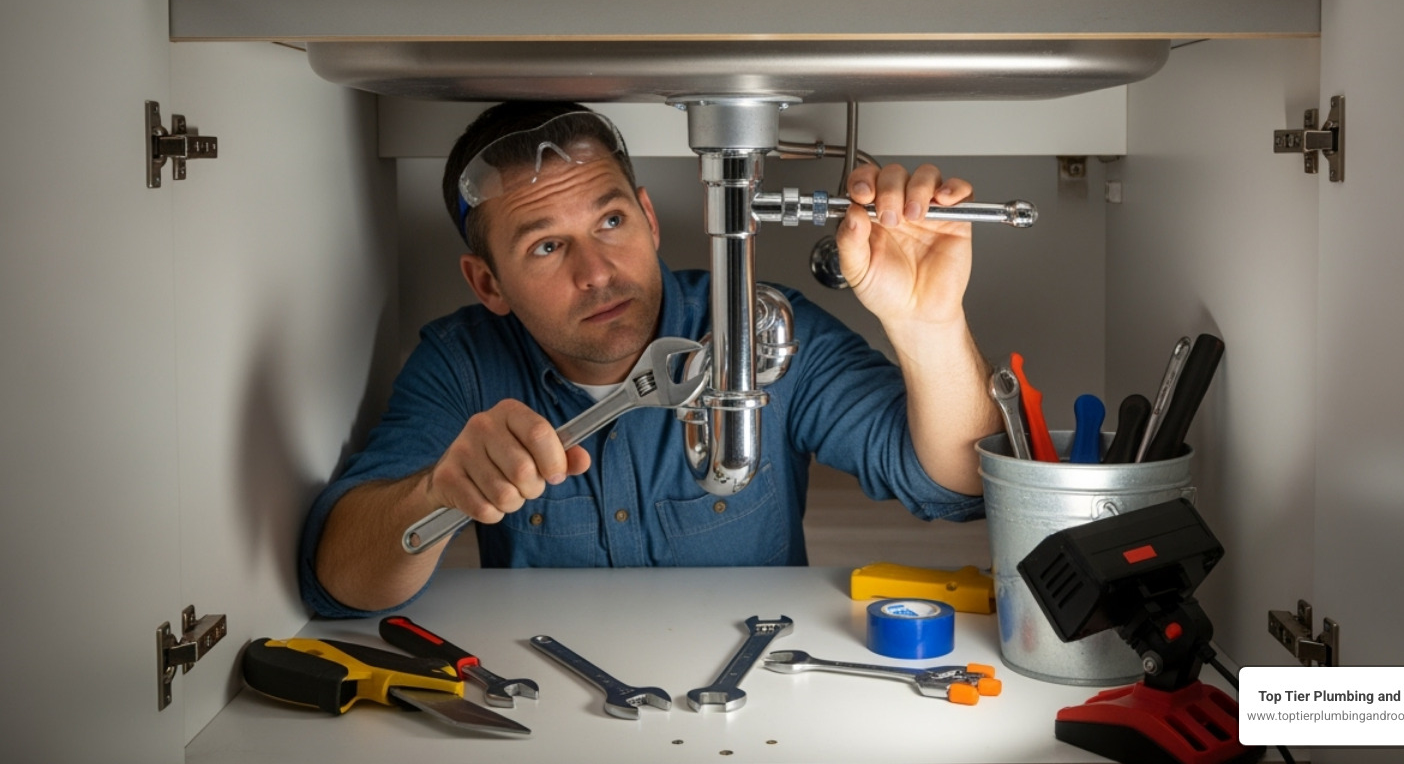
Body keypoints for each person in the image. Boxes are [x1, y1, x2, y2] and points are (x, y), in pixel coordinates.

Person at [301, 101, 1001, 617]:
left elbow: (959, 489)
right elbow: (338, 583)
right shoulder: (462, 365)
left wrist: (930, 322)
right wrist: (437, 494)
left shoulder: (764, 329)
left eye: (611, 222)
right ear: (489, 284)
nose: (597, 272)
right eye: (547, 246)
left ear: (649, 217)